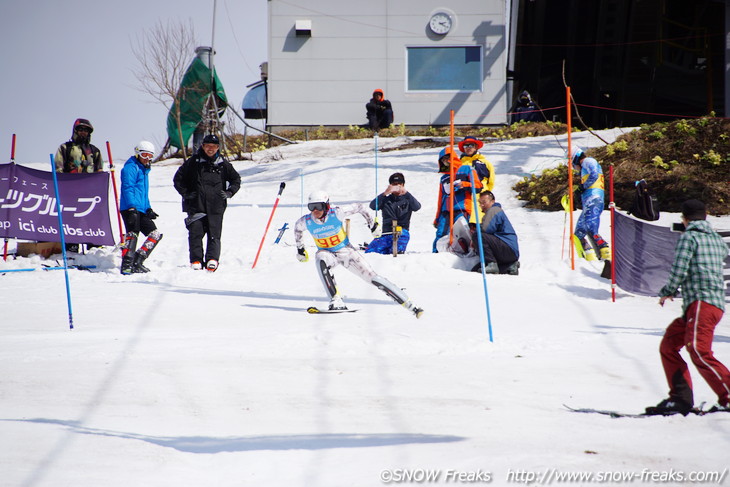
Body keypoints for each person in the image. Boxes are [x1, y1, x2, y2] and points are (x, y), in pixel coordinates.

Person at [646, 199, 730, 416]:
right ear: (706, 214)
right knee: (669, 345)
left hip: (702, 303)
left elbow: (679, 269)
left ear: (684, 219)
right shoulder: (717, 240)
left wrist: (668, 291)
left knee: (699, 350)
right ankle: (680, 398)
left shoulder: (689, 237)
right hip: (710, 305)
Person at [294, 191, 423, 317]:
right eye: (312, 207)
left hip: (346, 252)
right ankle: (336, 300)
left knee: (373, 278)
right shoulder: (306, 221)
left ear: (327, 205)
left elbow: (360, 207)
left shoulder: (337, 213)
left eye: (319, 206)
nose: (315, 211)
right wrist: (300, 249)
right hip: (328, 254)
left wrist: (373, 225)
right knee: (320, 258)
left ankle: (409, 304)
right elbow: (297, 229)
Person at [173, 134, 241, 271]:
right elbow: (178, 180)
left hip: (216, 206)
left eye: (214, 146)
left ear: (217, 148)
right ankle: (196, 260)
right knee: (195, 233)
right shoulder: (193, 162)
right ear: (203, 146)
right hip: (196, 205)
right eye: (208, 146)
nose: (210, 149)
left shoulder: (223, 164)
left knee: (214, 234)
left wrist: (229, 192)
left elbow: (236, 179)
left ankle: (212, 259)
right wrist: (186, 194)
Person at [119, 141, 163, 275]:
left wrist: (148, 208)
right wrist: (132, 207)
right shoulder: (131, 168)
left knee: (155, 234)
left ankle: (137, 261)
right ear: (137, 153)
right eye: (144, 155)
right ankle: (127, 265)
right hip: (130, 208)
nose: (147, 158)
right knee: (133, 234)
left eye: (150, 156)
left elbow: (143, 193)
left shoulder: (144, 170)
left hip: (141, 209)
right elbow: (128, 188)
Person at [432, 147, 482, 252]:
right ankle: (436, 255)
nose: (446, 162)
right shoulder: (444, 178)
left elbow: (478, 186)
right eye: (443, 160)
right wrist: (437, 218)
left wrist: (464, 184)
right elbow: (440, 198)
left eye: (447, 158)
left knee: (462, 233)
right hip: (446, 211)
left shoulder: (467, 169)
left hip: (462, 208)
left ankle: (466, 255)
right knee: (441, 233)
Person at [366, 172, 421, 254]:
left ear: (403, 185)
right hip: (386, 233)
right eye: (394, 184)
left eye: (399, 184)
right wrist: (385, 193)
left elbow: (417, 207)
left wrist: (406, 193)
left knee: (395, 252)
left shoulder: (408, 199)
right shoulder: (385, 199)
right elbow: (373, 206)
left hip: (401, 233)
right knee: (370, 252)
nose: (397, 187)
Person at [572, 147, 610, 261]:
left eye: (572, 165)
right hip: (588, 203)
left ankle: (605, 251)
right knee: (578, 234)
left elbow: (594, 175)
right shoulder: (584, 168)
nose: (574, 168)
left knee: (591, 228)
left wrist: (582, 187)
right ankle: (589, 255)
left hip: (594, 200)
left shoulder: (588, 161)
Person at [470, 190, 520, 275]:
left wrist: (474, 233)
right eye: (480, 203)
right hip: (511, 253)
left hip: (507, 247)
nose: (482, 205)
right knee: (476, 269)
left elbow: (485, 229)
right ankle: (510, 266)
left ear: (492, 201)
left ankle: (491, 263)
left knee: (478, 236)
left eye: (484, 202)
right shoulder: (494, 212)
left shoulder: (494, 210)